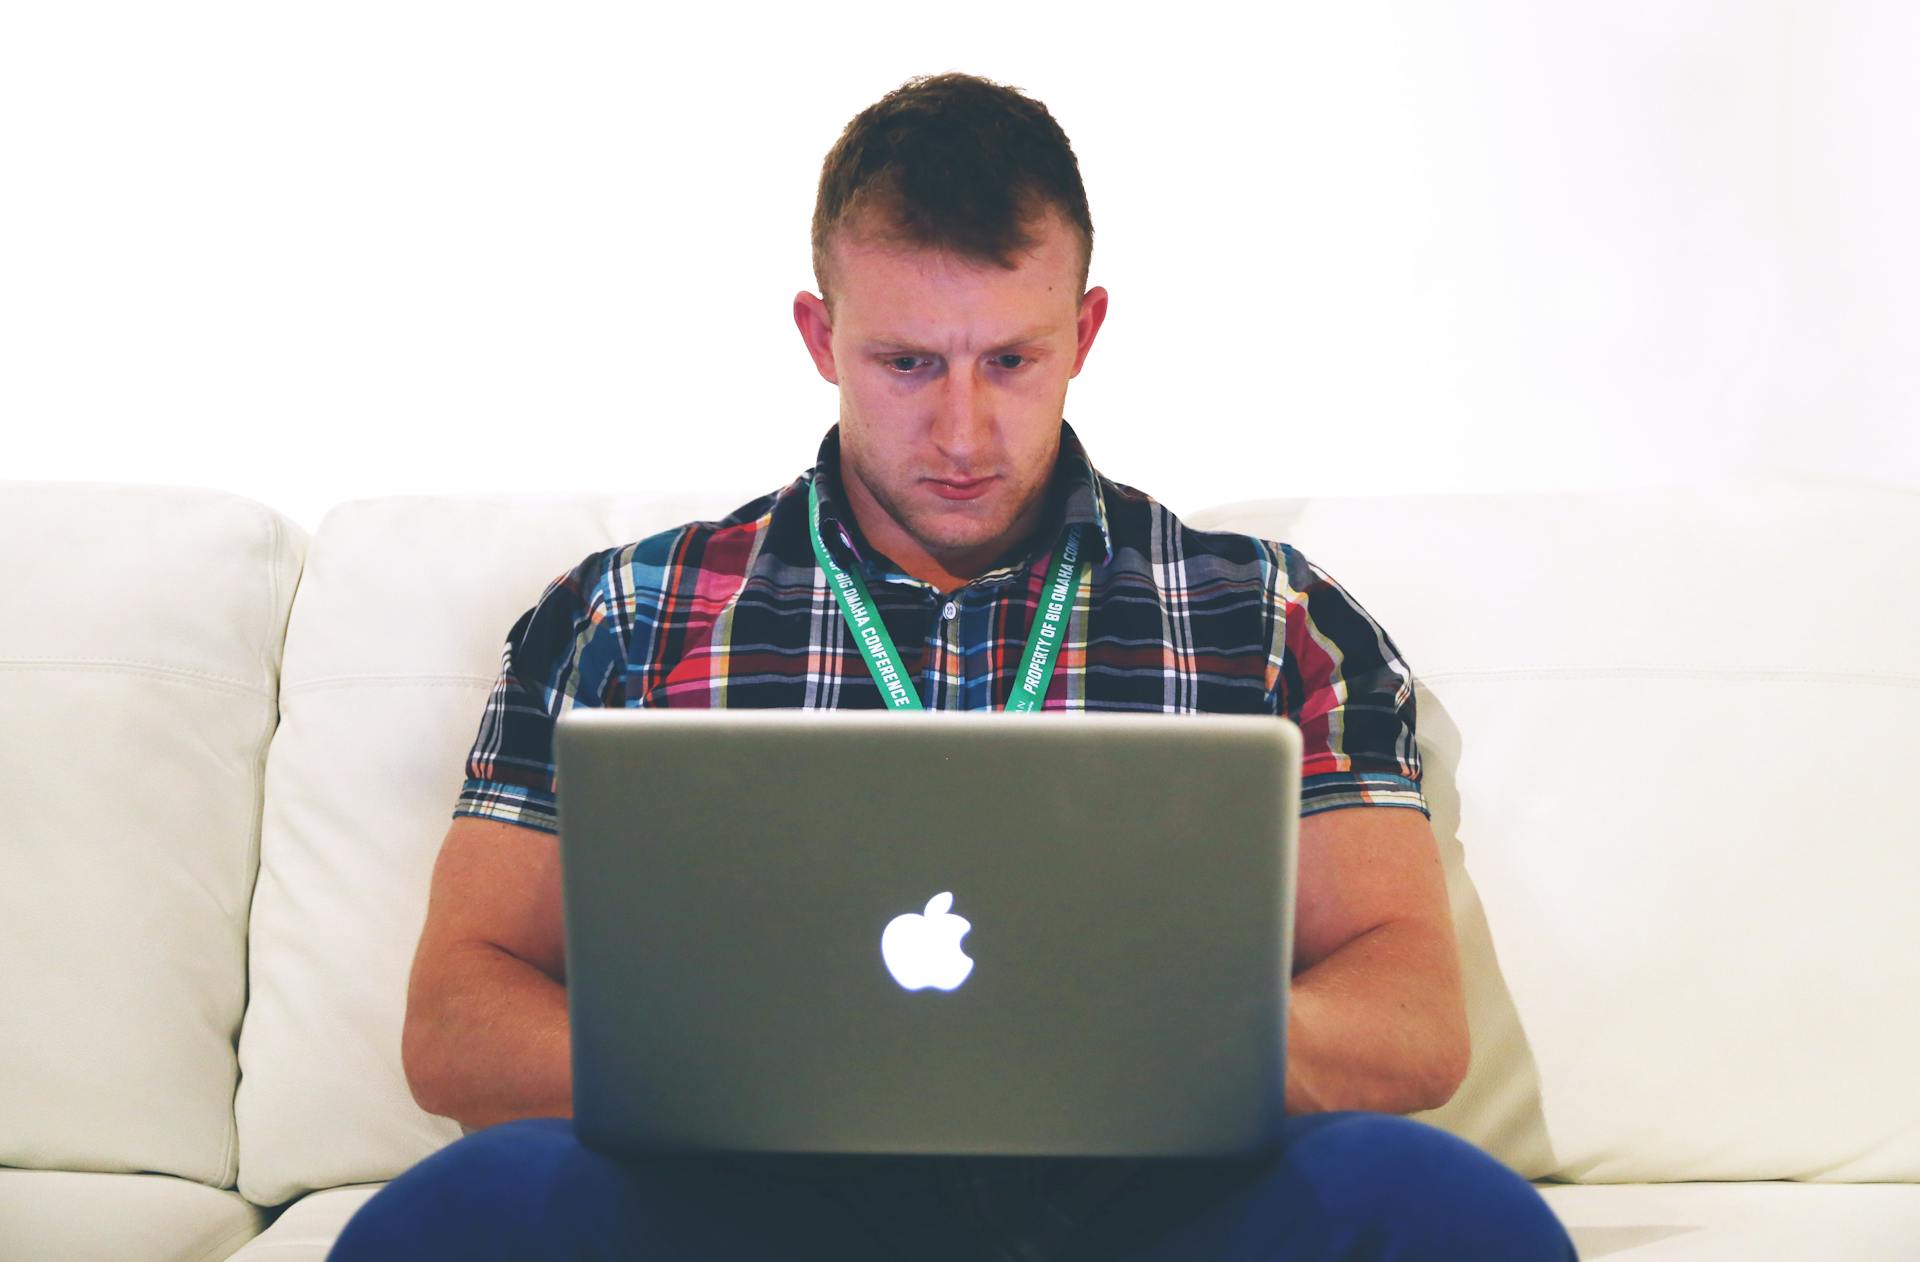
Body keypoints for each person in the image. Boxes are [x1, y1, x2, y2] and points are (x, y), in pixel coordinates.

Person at [330, 72, 1578, 1262]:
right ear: (822, 335)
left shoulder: (1269, 614)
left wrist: (1151, 1050)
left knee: (1447, 1208)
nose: (963, 430)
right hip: (748, 1215)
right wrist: (763, 1071)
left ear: (1085, 330)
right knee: (457, 1213)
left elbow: (1412, 1015)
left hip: (1149, 1216)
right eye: (908, 363)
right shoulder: (626, 615)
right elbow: (456, 1018)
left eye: (1012, 361)